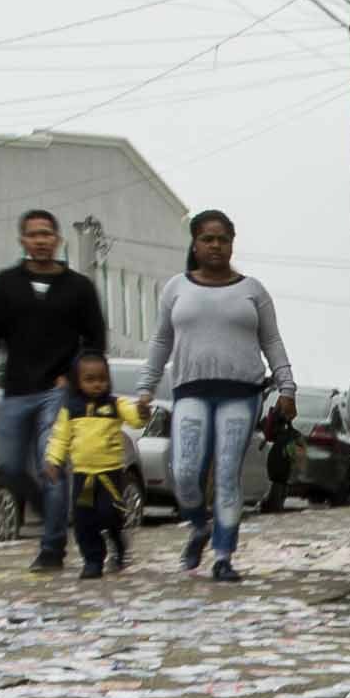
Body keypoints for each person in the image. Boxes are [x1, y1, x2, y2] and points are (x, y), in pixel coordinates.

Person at [145, 208, 290, 582]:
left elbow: (271, 340)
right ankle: (198, 526)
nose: (215, 245)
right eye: (207, 239)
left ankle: (224, 554)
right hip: (191, 390)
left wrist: (287, 385)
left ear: (232, 244)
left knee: (227, 471)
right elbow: (162, 340)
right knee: (186, 469)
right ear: (194, 243)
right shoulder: (176, 288)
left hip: (241, 392)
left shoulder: (252, 291)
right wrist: (146, 387)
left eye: (222, 239)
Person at [0, 208, 110, 569]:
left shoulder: (78, 287)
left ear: (57, 240)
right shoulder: (6, 283)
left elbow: (95, 341)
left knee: (51, 465)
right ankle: (54, 512)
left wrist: (73, 378)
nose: (40, 241)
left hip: (57, 393)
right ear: (22, 240)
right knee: (11, 468)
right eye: (33, 235)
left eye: (47, 234)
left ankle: (52, 547)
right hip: (15, 391)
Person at [46, 349, 135, 576]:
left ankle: (118, 542)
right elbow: (60, 436)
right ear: (77, 382)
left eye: (102, 379)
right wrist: (54, 460)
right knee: (83, 520)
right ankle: (93, 560)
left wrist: (142, 411)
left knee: (109, 514)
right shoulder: (71, 409)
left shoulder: (116, 405)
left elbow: (135, 418)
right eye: (90, 380)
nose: (97, 385)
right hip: (83, 475)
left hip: (110, 474)